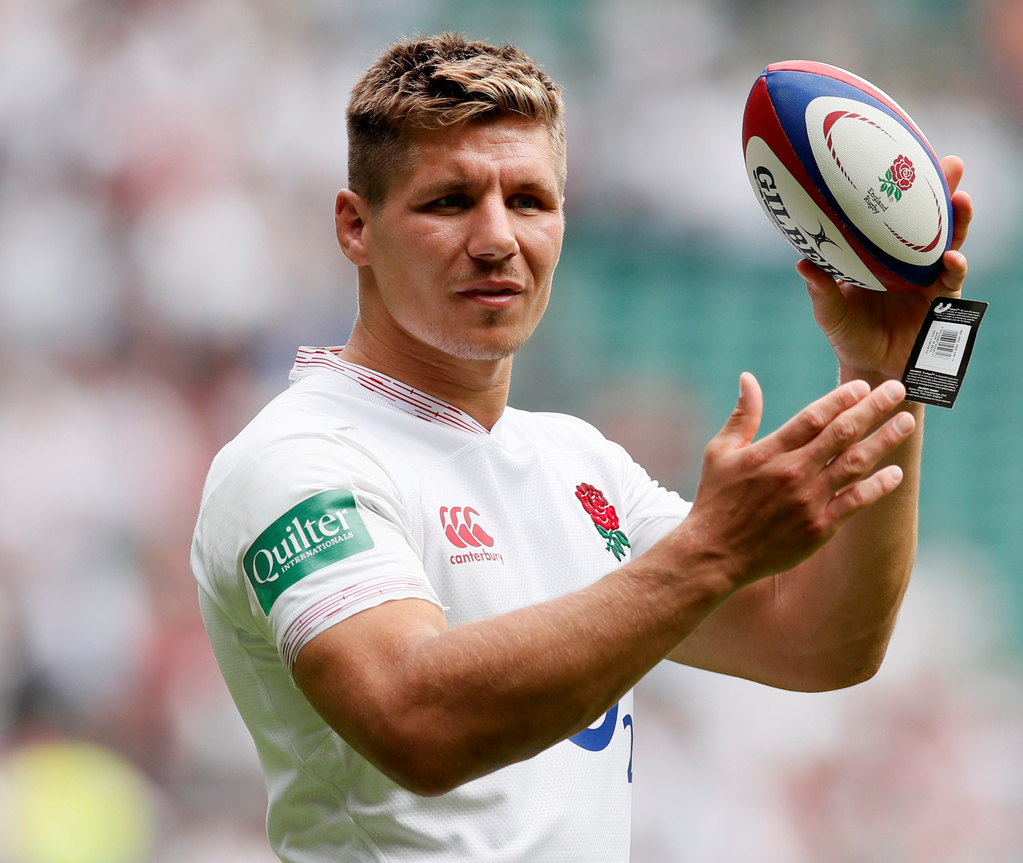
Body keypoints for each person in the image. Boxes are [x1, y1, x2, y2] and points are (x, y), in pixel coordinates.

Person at [190, 33, 972, 862]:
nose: (497, 238)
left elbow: (822, 643)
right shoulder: (296, 458)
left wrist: (895, 374)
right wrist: (711, 549)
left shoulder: (579, 463)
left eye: (529, 200)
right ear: (356, 226)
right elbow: (416, 724)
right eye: (449, 201)